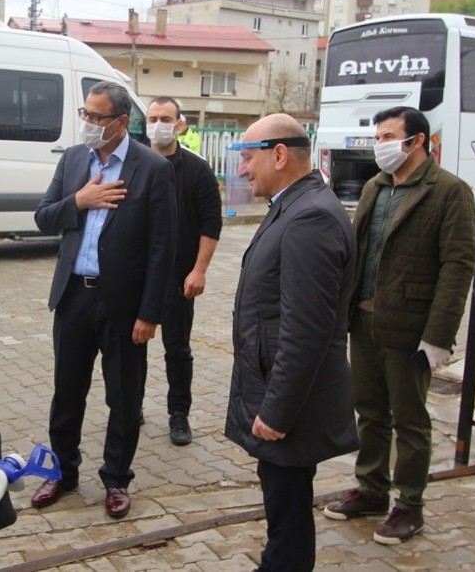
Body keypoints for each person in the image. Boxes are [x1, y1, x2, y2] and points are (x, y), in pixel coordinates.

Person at [323, 106, 475, 546]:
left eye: (389, 137)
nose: (380, 145)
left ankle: (409, 504)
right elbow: (359, 249)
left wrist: (438, 337)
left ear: (417, 141)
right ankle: (372, 488)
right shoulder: (376, 185)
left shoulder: (449, 191)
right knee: (370, 411)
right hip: (364, 319)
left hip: (410, 326)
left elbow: (458, 267)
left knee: (409, 419)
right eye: (378, 137)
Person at [31, 81, 177, 519]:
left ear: (120, 122)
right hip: (74, 296)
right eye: (86, 114)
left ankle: (116, 478)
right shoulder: (75, 159)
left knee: (124, 398)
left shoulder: (152, 169)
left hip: (124, 306)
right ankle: (63, 472)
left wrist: (149, 313)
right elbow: (43, 217)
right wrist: (80, 200)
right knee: (67, 392)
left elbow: (162, 248)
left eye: (97, 117)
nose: (88, 123)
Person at [225, 113, 358, 571]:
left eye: (248, 158)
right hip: (281, 391)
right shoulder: (294, 205)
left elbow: (306, 330)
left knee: (288, 508)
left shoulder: (310, 218)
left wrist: (277, 411)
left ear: (279, 155)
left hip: (291, 403)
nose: (243, 169)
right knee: (284, 499)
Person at [143, 96, 221, 445]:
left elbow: (211, 223)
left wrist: (199, 270)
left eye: (165, 118)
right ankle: (131, 406)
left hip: (177, 278)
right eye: (152, 118)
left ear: (180, 125)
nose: (158, 124)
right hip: (136, 276)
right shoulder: (134, 164)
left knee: (177, 350)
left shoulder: (197, 170)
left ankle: (179, 414)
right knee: (130, 348)